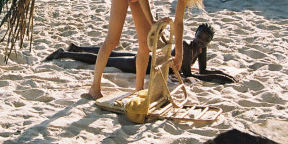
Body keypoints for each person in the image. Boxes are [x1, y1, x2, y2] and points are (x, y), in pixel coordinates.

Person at [88, 0, 219, 99]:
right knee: (113, 40)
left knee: (145, 45)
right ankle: (94, 87)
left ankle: (138, 90)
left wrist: (179, 55)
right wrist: (153, 23)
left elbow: (179, 22)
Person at [45, 23, 238, 84]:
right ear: (194, 35)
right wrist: (219, 78)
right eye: (200, 37)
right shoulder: (186, 47)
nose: (201, 41)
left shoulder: (202, 50)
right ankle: (64, 54)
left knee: (115, 54)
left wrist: (222, 76)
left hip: (152, 59)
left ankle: (77, 48)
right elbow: (188, 74)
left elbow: (202, 72)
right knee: (107, 59)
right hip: (147, 64)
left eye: (205, 40)